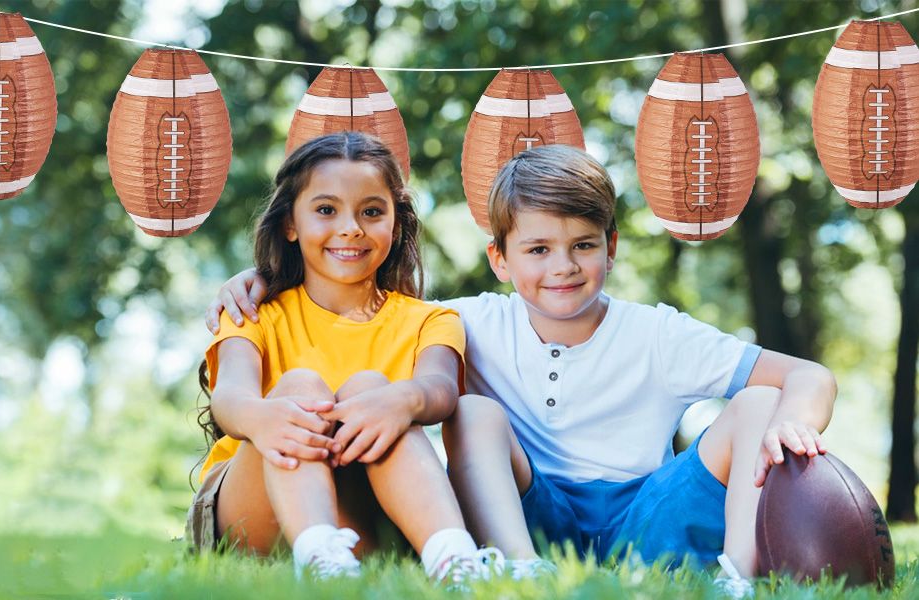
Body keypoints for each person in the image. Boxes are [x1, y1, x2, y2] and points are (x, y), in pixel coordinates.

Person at [207, 145, 836, 597]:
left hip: (644, 513)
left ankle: (739, 576)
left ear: (611, 248)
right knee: (474, 411)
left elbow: (811, 377)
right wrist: (265, 277)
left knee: (760, 403)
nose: (562, 267)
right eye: (537, 249)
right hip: (532, 511)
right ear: (500, 259)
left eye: (583, 245)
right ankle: (517, 569)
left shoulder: (659, 334)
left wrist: (794, 426)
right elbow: (358, 301)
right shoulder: (468, 321)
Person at [187, 132, 503, 585]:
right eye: (326, 210)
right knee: (299, 388)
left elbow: (440, 389)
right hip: (252, 514)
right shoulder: (251, 313)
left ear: (396, 225)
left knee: (372, 390)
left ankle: (454, 560)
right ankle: (319, 557)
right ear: (290, 224)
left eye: (371, 212)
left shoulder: (431, 320)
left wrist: (403, 401)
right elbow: (230, 398)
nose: (351, 227)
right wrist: (263, 418)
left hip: (366, 515)